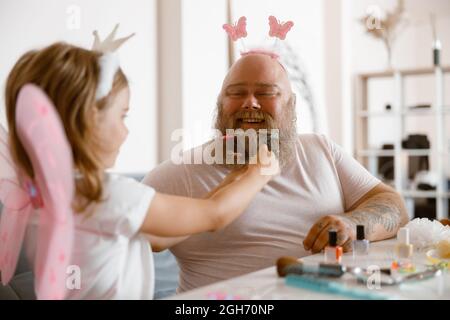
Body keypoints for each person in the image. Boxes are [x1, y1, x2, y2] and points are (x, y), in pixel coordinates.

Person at [3, 42, 278, 299]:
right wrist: (259, 173)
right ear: (87, 120)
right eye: (122, 115)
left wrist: (232, 180)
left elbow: (158, 235)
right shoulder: (106, 195)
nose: (126, 130)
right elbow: (215, 215)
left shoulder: (45, 194)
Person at [143, 51, 409, 293]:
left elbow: (394, 206)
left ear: (291, 105)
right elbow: (123, 239)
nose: (250, 103)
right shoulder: (179, 173)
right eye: (236, 93)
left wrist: (354, 224)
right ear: (220, 104)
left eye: (266, 92)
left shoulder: (321, 150)